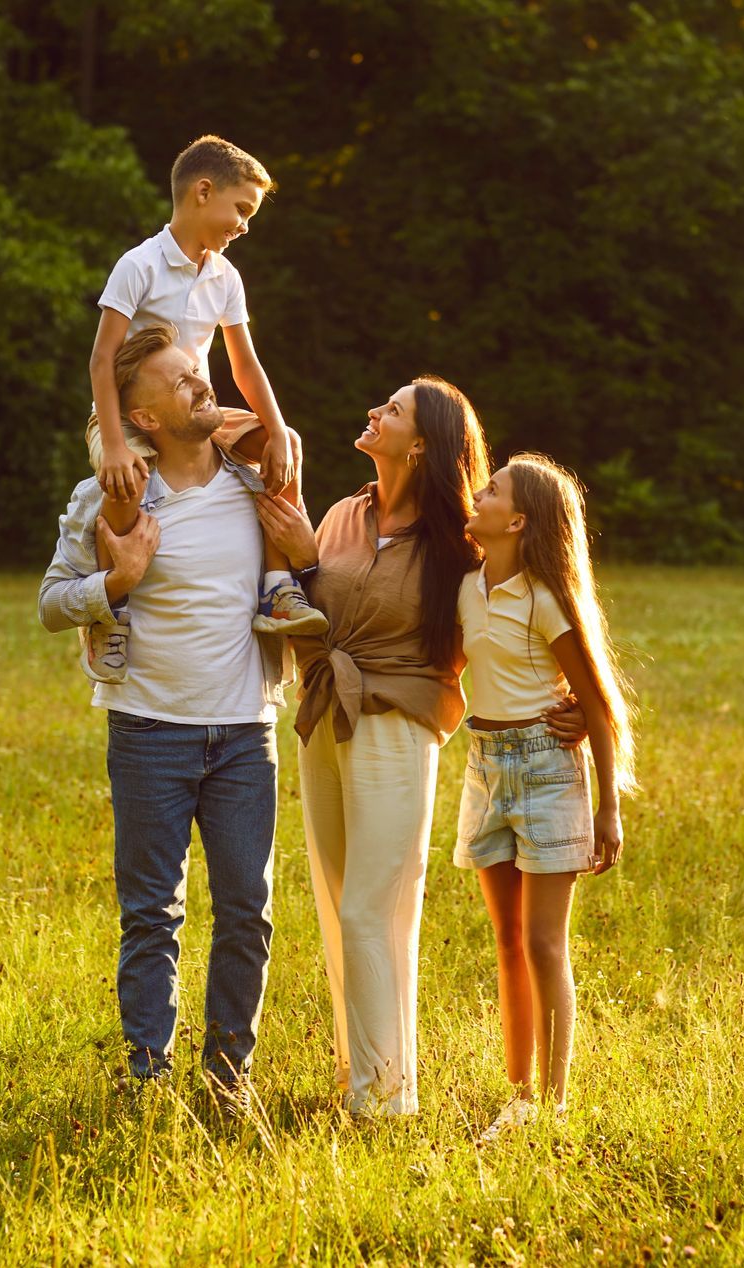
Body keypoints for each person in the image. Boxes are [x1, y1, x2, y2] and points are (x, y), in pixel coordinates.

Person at [253, 378, 583, 1117]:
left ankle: (383, 1101)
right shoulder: (341, 516)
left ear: (424, 443)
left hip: (398, 721)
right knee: (341, 906)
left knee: (377, 905)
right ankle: (366, 1075)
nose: (374, 411)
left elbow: (529, 607)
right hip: (325, 712)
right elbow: (310, 611)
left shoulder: (460, 539)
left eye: (393, 409)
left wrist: (573, 702)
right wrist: (306, 560)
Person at [38, 322, 294, 1114]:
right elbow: (52, 603)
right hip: (149, 732)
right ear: (140, 418)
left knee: (247, 911)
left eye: (198, 369)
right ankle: (148, 1080)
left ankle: (227, 1080)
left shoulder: (259, 487)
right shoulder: (111, 499)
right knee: (152, 915)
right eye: (179, 379)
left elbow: (305, 577)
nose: (200, 384)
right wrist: (120, 581)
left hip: (246, 734)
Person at [81, 135, 325, 684]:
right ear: (202, 191)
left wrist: (279, 429)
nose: (244, 225)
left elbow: (245, 365)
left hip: (199, 411)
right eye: (241, 210)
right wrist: (115, 443)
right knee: (124, 475)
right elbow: (101, 360)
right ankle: (110, 614)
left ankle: (277, 587)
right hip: (128, 416)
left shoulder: (225, 277)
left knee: (284, 442)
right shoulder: (139, 265)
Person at [456, 453, 636, 1143]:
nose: (479, 492)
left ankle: (552, 1105)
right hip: (484, 768)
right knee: (506, 940)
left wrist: (608, 807)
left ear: (519, 520)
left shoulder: (542, 597)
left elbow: (595, 700)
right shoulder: (468, 588)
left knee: (543, 943)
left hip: (546, 771)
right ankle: (519, 1095)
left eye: (492, 489)